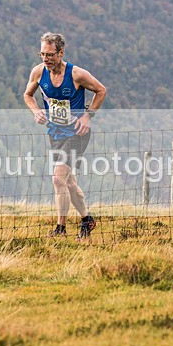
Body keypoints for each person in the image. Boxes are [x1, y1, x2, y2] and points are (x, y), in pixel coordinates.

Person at [23, 32, 107, 239]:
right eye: (42, 54)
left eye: (50, 55)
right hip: (56, 133)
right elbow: (27, 95)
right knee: (69, 183)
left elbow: (101, 90)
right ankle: (87, 220)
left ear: (61, 53)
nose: (45, 59)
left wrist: (88, 116)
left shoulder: (76, 74)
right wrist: (36, 112)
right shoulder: (38, 72)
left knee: (58, 179)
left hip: (77, 133)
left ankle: (60, 229)